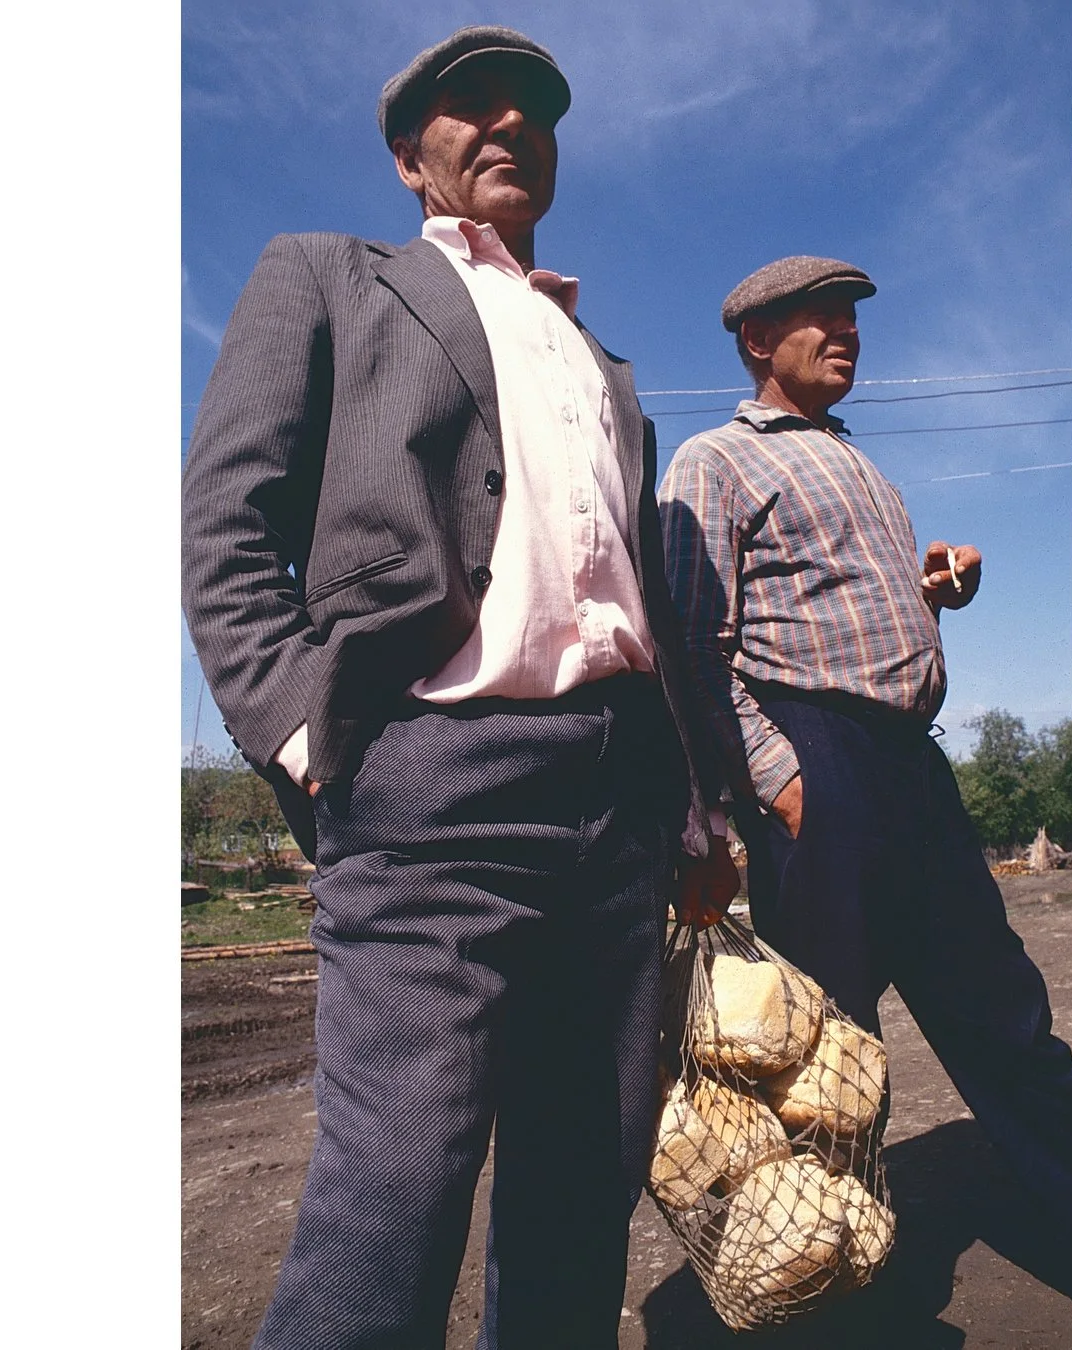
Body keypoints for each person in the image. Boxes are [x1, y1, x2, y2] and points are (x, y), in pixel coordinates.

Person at [181, 26, 737, 1350]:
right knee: (401, 1185)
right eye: (467, 106)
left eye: (533, 111)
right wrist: (303, 729)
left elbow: (642, 604)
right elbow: (227, 518)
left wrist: (693, 804)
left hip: (616, 795)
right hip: (431, 777)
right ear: (407, 156)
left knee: (576, 1188)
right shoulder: (329, 277)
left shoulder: (595, 359)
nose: (506, 124)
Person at [657, 256, 1072, 1235]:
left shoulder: (865, 470)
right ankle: (833, 1277)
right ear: (758, 340)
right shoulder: (713, 461)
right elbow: (690, 641)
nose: (846, 333)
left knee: (999, 1006)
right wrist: (776, 777)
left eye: (851, 320)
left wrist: (935, 592)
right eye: (820, 318)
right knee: (830, 1051)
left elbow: (833, 610)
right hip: (819, 765)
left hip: (909, 763)